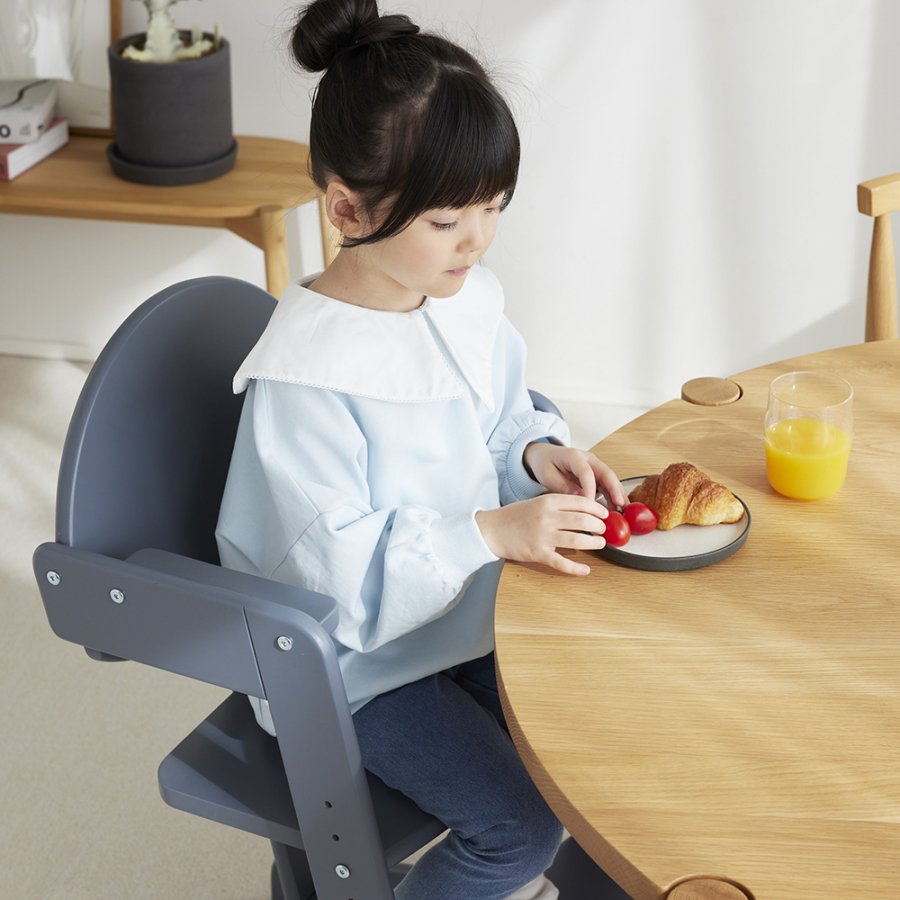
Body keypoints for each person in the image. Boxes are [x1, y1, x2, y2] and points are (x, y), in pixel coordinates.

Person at [215, 1, 625, 897]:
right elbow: (336, 583)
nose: (477, 238)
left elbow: (496, 415)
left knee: (602, 740)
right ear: (347, 208)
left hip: (462, 612)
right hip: (356, 670)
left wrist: (533, 455)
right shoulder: (307, 379)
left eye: (493, 206)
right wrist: (491, 532)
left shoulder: (454, 295)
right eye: (447, 220)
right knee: (519, 831)